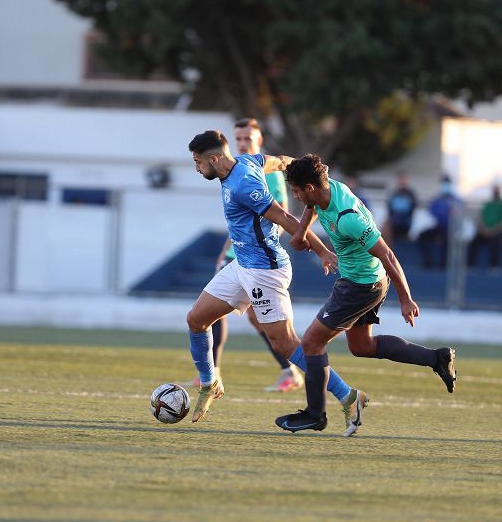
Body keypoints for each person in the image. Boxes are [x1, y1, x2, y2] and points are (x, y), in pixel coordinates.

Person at [185, 130, 368, 435]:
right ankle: (209, 382)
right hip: (241, 265)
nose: (196, 168)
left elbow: (283, 216)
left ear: (214, 159)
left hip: (264, 271)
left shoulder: (245, 184)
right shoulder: (249, 161)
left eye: (197, 162)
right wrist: (302, 164)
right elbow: (281, 161)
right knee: (196, 319)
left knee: (285, 344)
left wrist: (322, 249)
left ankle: (348, 395)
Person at [276, 155, 457, 435]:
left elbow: (388, 255)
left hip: (360, 286)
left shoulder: (348, 219)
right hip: (365, 280)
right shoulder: (326, 190)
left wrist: (406, 298)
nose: (296, 196)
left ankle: (315, 415)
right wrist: (301, 233)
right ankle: (437, 358)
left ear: (310, 187)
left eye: (297, 191)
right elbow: (312, 206)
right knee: (362, 346)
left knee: (311, 343)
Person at [205, 118, 305, 393]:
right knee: (209, 314)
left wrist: (264, 248)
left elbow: (280, 213)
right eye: (238, 138)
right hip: (239, 256)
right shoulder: (234, 170)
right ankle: (211, 372)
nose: (242, 143)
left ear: (259, 141)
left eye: (247, 138)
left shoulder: (265, 172)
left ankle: (296, 371)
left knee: (271, 327)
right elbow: (239, 221)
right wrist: (227, 250)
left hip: (259, 260)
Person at [417, 175, 462, 269]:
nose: (444, 186)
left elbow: (458, 212)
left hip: (451, 228)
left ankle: (443, 265)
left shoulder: (454, 199)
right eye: (443, 183)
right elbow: (432, 210)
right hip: (439, 226)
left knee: (447, 239)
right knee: (422, 236)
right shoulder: (438, 198)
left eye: (446, 183)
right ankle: (428, 262)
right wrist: (444, 212)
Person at [468, 184, 502, 270]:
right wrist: (484, 229)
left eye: (497, 191)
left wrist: (493, 230)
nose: (495, 193)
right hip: (485, 231)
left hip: (497, 232)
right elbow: (480, 218)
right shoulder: (487, 204)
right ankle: (470, 265)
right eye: (494, 190)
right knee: (474, 242)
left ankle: (494, 266)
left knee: (495, 243)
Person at [384, 172, 418, 245]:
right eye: (400, 179)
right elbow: (390, 209)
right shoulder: (394, 193)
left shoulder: (410, 194)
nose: (402, 181)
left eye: (403, 179)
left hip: (405, 223)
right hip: (394, 223)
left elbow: (411, 209)